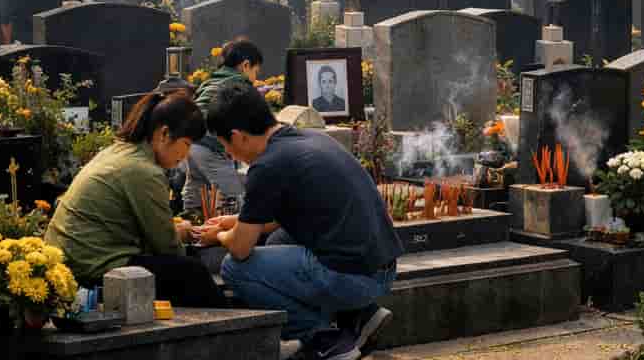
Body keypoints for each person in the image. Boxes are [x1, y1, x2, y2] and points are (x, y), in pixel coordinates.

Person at [203, 81, 400, 360]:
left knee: (235, 268)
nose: (230, 156)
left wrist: (218, 236)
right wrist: (234, 220)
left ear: (237, 137)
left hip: (356, 278)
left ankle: (326, 340)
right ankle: (360, 315)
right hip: (381, 267)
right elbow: (281, 215)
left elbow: (240, 248)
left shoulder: (267, 165)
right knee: (277, 240)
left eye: (226, 147)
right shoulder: (308, 139)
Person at [44, 92, 224, 306]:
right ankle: (239, 332)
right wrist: (183, 234)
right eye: (186, 144)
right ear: (164, 134)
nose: (185, 156)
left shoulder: (116, 151)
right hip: (92, 267)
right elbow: (167, 247)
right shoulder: (144, 171)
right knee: (191, 272)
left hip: (68, 260)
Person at [185, 37, 264, 219]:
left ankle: (191, 218)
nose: (255, 77)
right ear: (245, 66)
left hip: (190, 140)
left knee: (196, 184)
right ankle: (239, 225)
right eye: (256, 71)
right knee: (233, 190)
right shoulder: (240, 86)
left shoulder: (211, 80)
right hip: (211, 144)